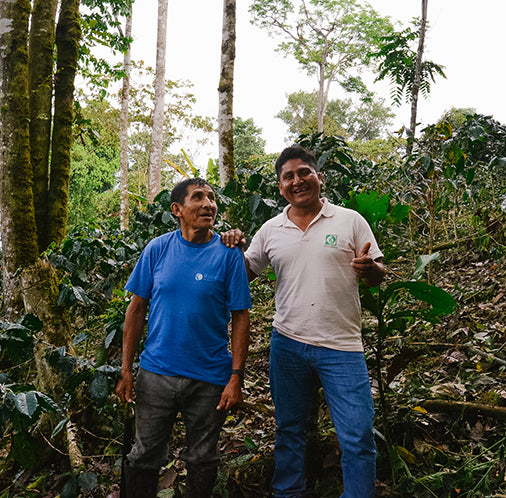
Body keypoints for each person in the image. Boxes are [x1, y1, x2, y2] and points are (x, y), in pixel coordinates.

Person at [223, 145, 385, 498]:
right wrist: (230, 245)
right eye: (288, 177)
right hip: (288, 344)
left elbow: (377, 274)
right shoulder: (271, 229)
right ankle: (288, 493)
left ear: (318, 176)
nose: (297, 181)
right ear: (280, 186)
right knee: (289, 429)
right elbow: (244, 273)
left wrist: (371, 270)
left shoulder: (350, 221)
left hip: (341, 346)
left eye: (304, 173)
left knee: (357, 434)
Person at [116, 177, 251, 498]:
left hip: (209, 379)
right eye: (198, 197)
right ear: (177, 209)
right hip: (156, 375)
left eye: (212, 198)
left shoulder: (228, 253)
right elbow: (135, 311)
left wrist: (236, 377)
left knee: (203, 459)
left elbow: (241, 317)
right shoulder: (157, 249)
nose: (208, 204)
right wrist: (126, 370)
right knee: (144, 455)